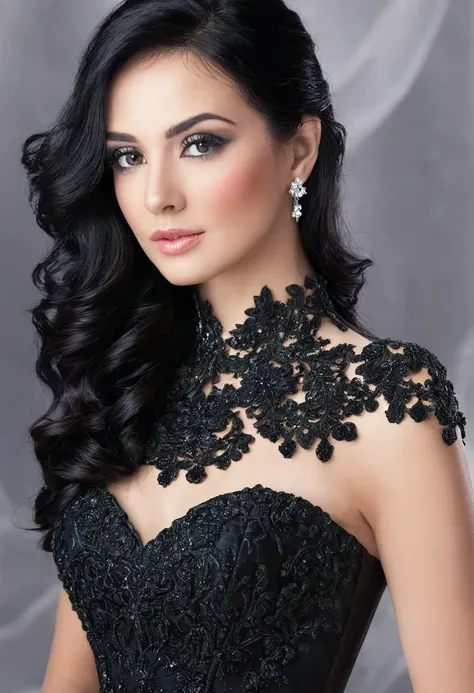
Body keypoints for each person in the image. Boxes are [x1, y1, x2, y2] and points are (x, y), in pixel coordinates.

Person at [20, 1, 474, 692]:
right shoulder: (128, 385)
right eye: (128, 156)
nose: (156, 195)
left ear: (300, 147)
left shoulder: (391, 406)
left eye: (200, 143)